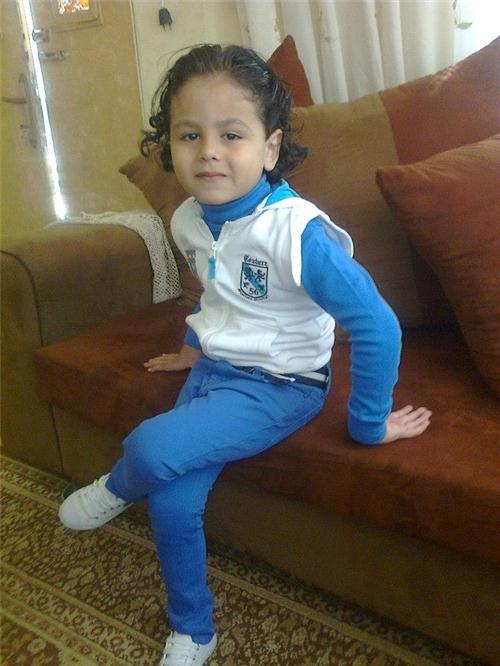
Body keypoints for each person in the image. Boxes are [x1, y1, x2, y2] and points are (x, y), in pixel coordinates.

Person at [58, 44, 431, 665]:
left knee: (148, 448)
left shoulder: (297, 233)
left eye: (231, 134)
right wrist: (192, 346)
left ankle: (116, 489)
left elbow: (378, 327)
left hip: (281, 386)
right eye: (189, 135)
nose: (208, 151)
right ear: (168, 146)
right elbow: (219, 291)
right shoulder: (187, 218)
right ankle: (195, 630)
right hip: (213, 372)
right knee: (173, 499)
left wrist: (369, 426)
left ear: (270, 148)